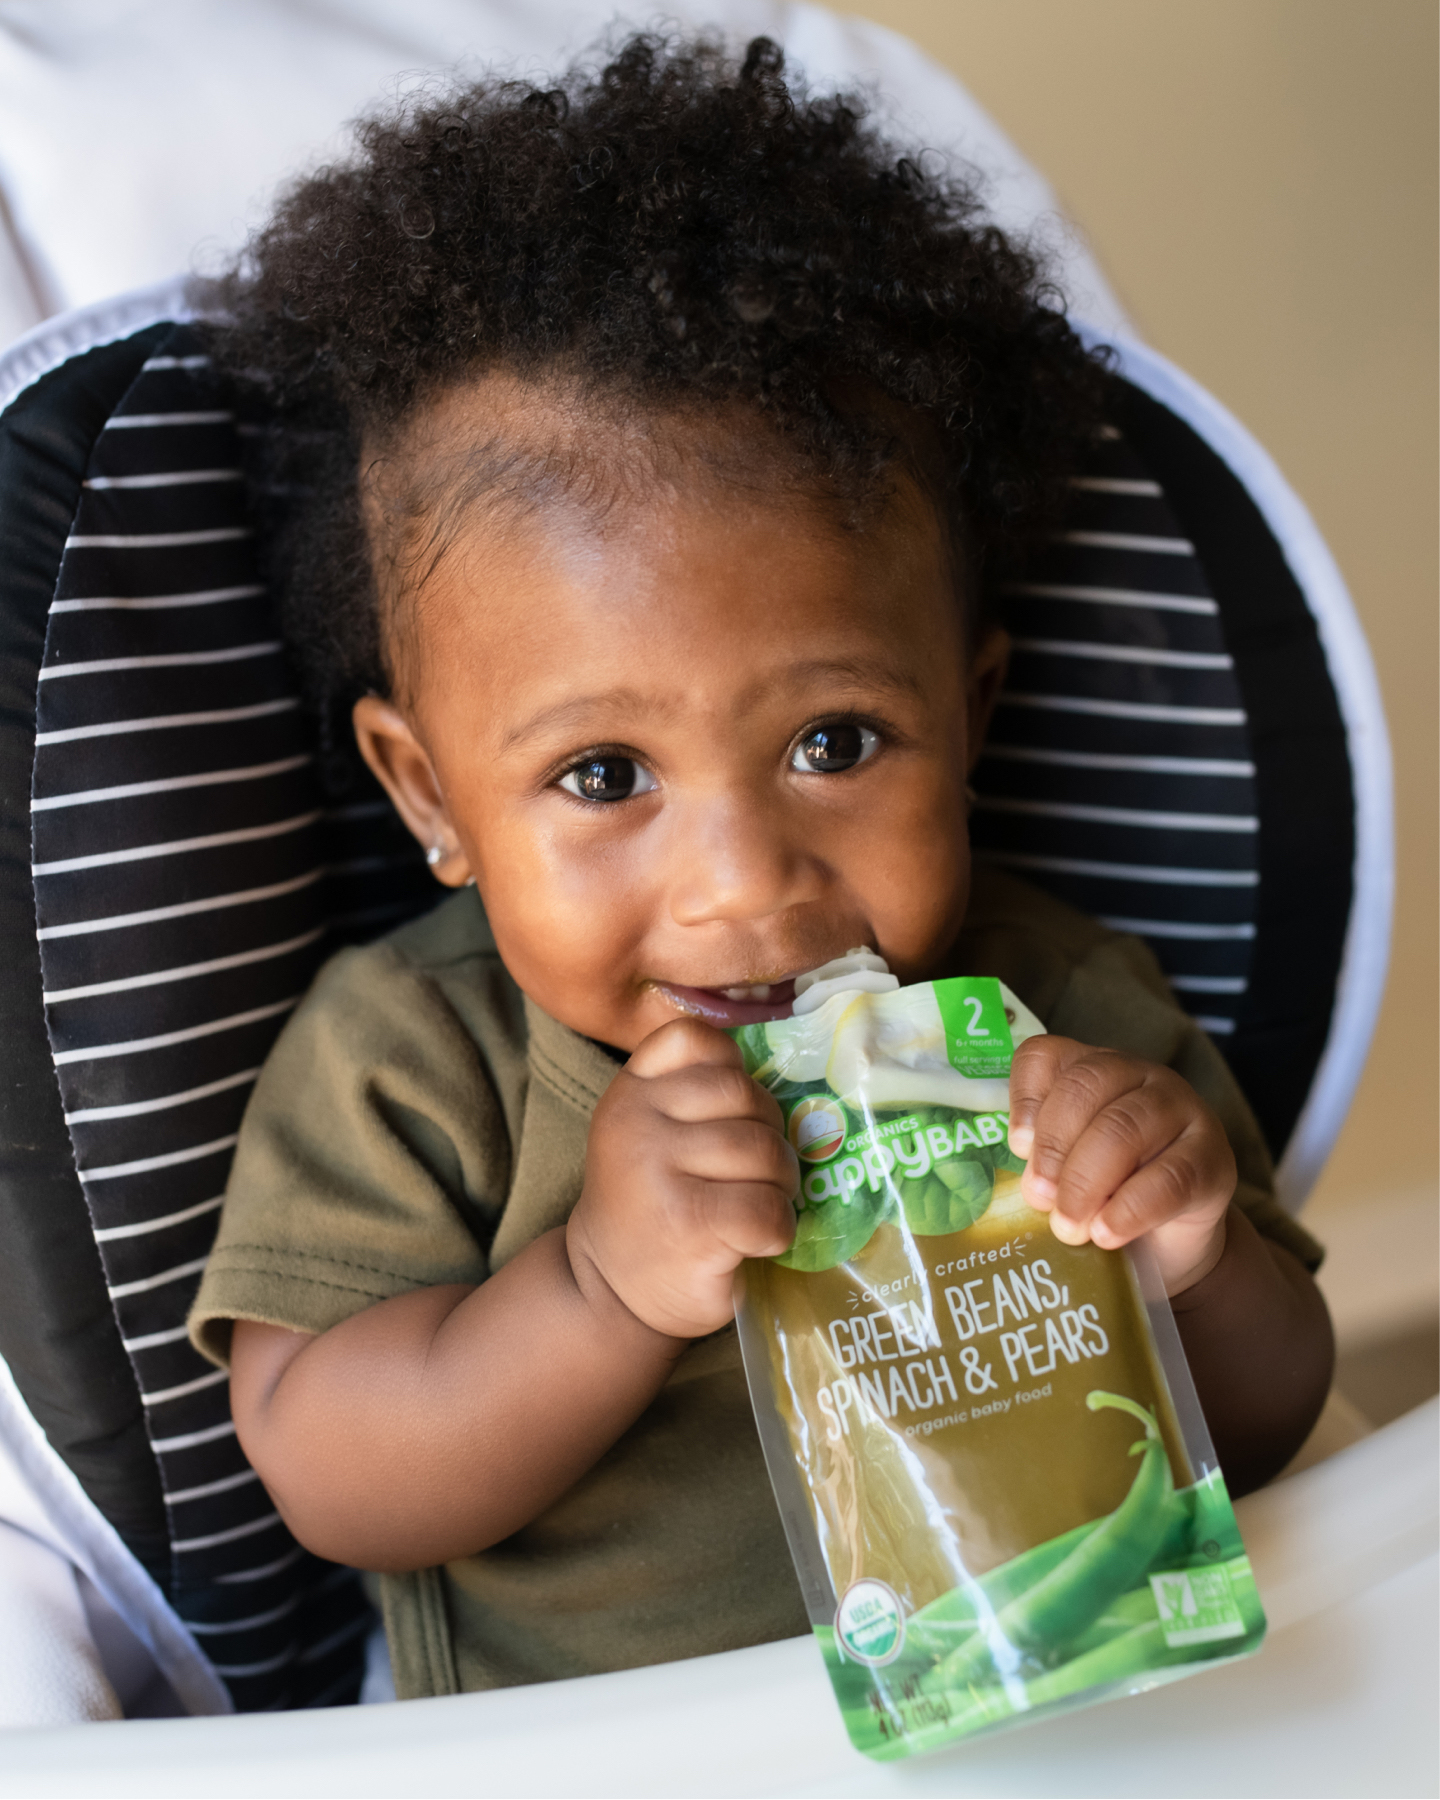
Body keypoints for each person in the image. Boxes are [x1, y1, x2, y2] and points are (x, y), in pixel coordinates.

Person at [187, 34, 1333, 1700]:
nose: (746, 885)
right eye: (602, 776)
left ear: (972, 710)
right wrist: (597, 1288)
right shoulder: (413, 1060)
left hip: (1067, 1709)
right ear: (427, 795)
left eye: (837, 743)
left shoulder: (1059, 1017)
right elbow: (331, 1476)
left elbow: (1276, 1413)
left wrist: (1185, 1250)